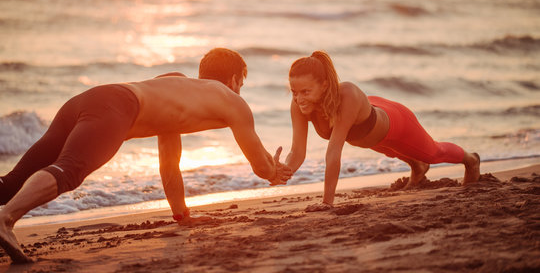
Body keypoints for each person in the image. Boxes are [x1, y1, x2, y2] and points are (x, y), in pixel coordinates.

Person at [0, 48, 292, 264]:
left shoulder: (174, 84)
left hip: (88, 99)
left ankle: (6, 207)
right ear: (234, 78)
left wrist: (182, 215)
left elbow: (169, 164)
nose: (240, 89)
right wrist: (274, 171)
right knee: (70, 171)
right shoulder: (233, 101)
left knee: (12, 182)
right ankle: (6, 218)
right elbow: (261, 167)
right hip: (117, 108)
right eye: (241, 82)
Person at [283, 51, 480, 209]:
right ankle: (417, 168)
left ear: (324, 85)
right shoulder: (301, 105)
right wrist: (281, 172)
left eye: (305, 92)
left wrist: (327, 203)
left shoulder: (346, 97)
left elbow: (333, 153)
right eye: (294, 92)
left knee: (433, 153)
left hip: (396, 122)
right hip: (371, 127)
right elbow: (297, 152)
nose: (299, 98)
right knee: (390, 150)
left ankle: (471, 160)